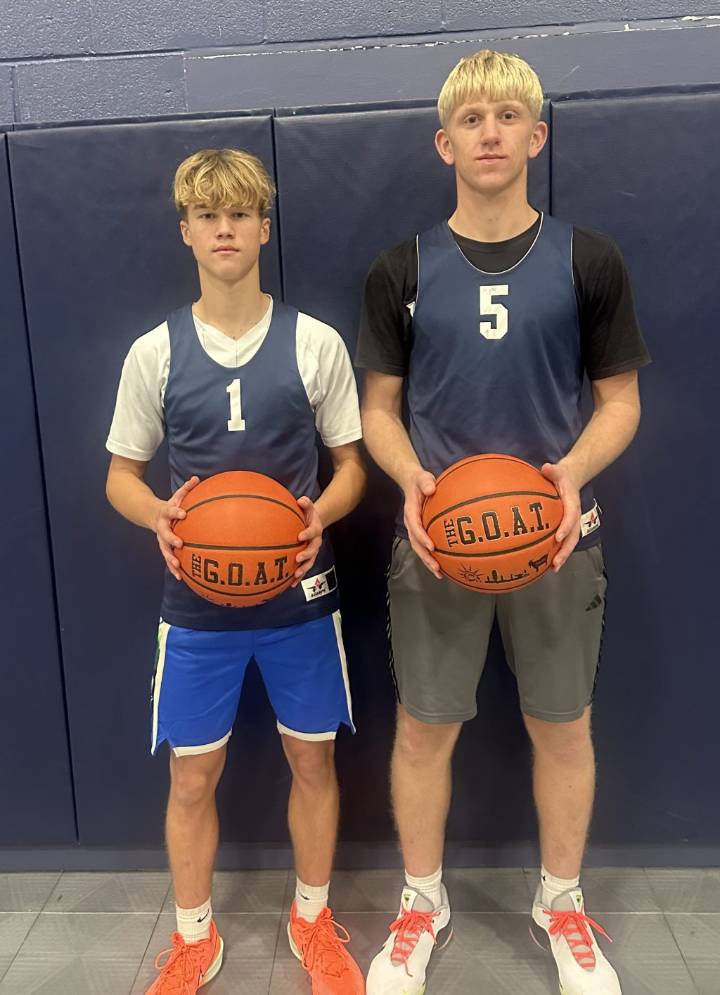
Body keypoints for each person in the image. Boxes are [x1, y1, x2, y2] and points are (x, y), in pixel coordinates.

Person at [356, 49, 650, 995]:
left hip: (556, 536)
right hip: (439, 541)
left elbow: (621, 401)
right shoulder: (401, 267)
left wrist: (569, 474)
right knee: (422, 729)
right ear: (445, 143)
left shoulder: (589, 258)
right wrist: (410, 481)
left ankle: (559, 900)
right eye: (472, 119)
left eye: (507, 116)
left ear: (537, 135)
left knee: (563, 726)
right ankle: (420, 901)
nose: (490, 132)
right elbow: (378, 411)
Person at [106, 148, 366, 995]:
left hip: (298, 598)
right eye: (208, 216)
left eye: (240, 213)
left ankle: (313, 920)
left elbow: (352, 465)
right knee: (192, 772)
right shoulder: (155, 353)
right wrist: (161, 517)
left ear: (264, 226)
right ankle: (193, 938)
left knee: (315, 762)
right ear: (185, 232)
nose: (225, 228)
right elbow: (120, 475)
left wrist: (320, 513)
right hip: (197, 604)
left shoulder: (315, 341)